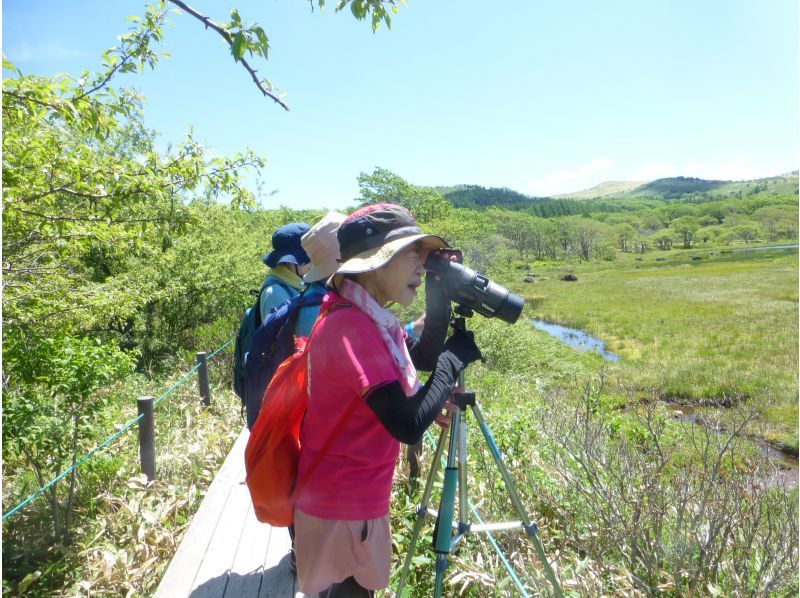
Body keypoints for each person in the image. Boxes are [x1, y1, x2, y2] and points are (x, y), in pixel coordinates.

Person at [293, 203, 483, 597]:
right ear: (375, 263)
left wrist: (438, 299)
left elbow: (421, 359)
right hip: (343, 506)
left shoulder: (367, 317)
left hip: (345, 500)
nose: (419, 266)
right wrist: (454, 358)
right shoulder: (351, 327)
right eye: (412, 255)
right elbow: (407, 422)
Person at [259, 222, 312, 321]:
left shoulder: (294, 284)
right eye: (308, 257)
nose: (312, 262)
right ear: (290, 261)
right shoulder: (274, 293)